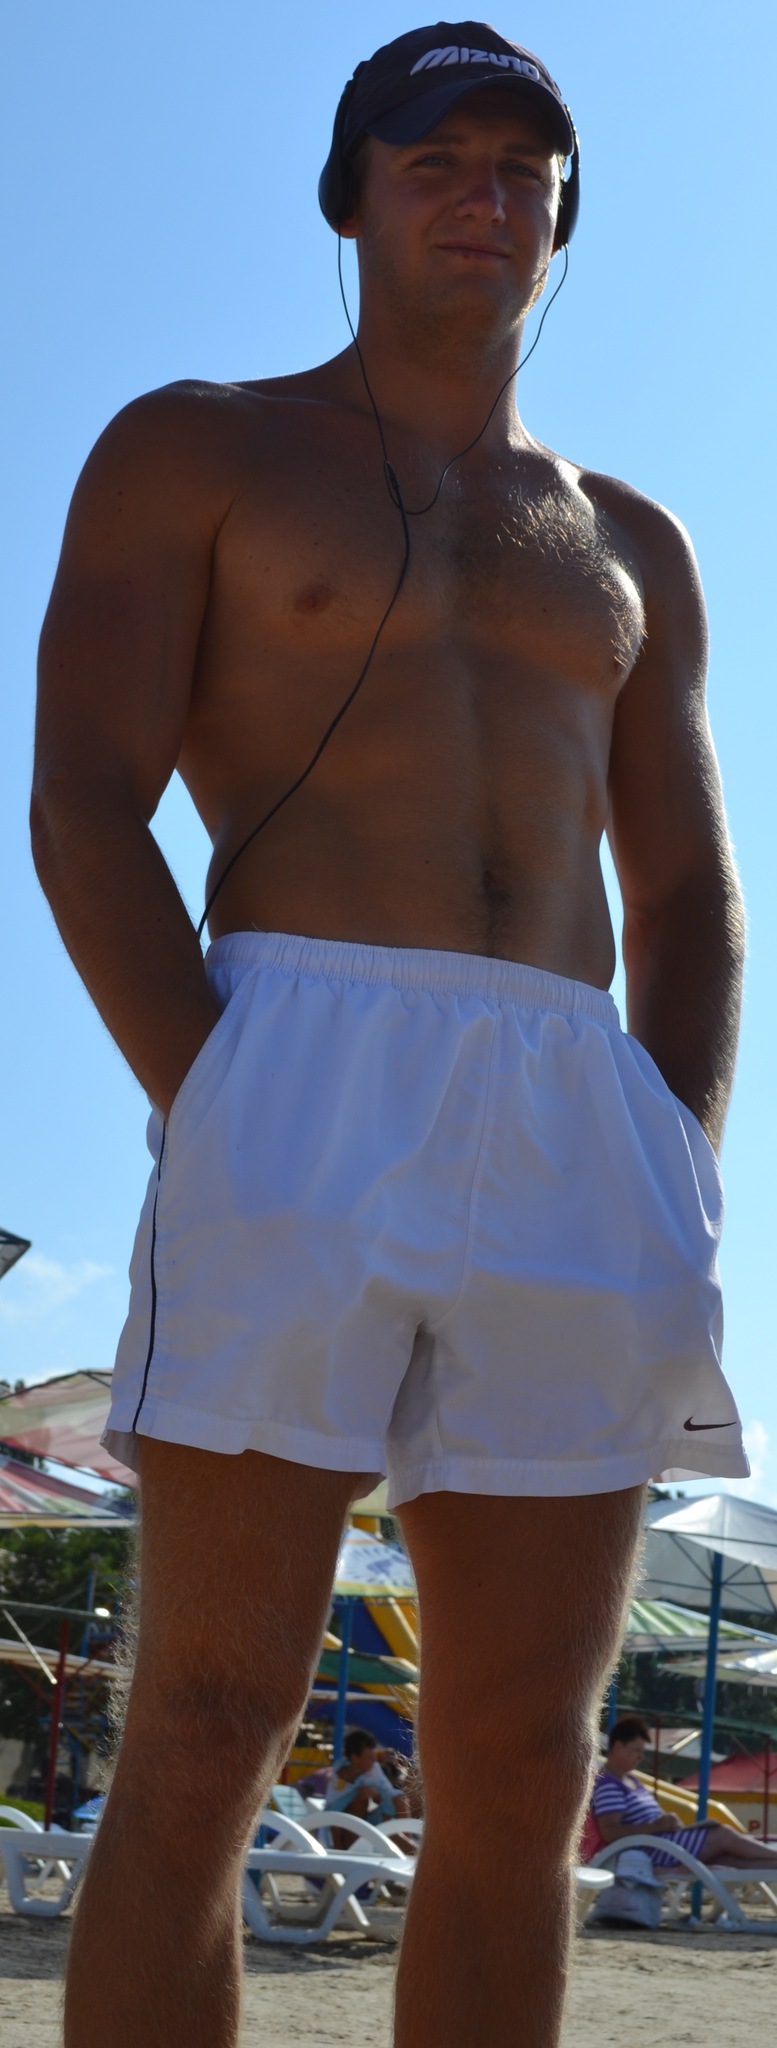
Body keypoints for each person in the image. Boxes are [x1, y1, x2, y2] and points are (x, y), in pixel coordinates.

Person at [31, 19, 749, 2048]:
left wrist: (673, 1152)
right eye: (435, 156)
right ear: (348, 195)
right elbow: (83, 798)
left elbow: (689, 894)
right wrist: (214, 1093)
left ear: (562, 222)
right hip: (292, 1049)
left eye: (523, 166)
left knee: (521, 1752)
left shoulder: (630, 539)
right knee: (208, 1714)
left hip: (573, 1098)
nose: (481, 193)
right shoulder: (198, 446)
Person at [593, 1715, 777, 1871]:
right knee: (722, 1834)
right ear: (618, 1747)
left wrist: (666, 1824)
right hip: (652, 1851)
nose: (641, 1757)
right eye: (636, 1750)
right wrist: (656, 1826)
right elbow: (610, 1832)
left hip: (663, 1844)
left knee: (728, 1860)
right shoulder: (609, 1785)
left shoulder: (631, 1780)